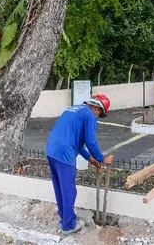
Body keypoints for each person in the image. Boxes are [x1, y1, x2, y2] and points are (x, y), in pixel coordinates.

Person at [46, 94, 114, 236]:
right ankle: (69, 225)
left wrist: (90, 159)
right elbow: (90, 141)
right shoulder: (89, 115)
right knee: (70, 190)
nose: (97, 117)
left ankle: (64, 217)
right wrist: (102, 158)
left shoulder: (74, 109)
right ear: (96, 108)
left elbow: (78, 140)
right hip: (64, 153)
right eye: (100, 114)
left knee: (60, 187)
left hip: (52, 150)